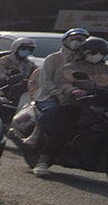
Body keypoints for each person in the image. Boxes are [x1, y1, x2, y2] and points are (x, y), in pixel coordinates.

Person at [29, 28, 93, 174]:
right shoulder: (53, 58)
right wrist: (60, 94)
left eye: (82, 39)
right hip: (49, 95)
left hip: (76, 98)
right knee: (58, 118)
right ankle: (42, 158)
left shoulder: (85, 62)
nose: (77, 42)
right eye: (74, 38)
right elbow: (46, 83)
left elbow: (103, 79)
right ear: (66, 41)